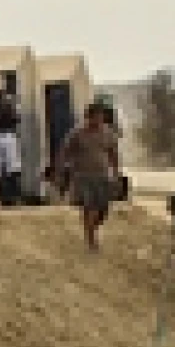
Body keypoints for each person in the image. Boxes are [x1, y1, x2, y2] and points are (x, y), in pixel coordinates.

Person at [56, 102, 121, 252]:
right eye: (96, 117)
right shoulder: (77, 133)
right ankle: (91, 239)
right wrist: (60, 172)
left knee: (103, 210)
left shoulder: (108, 133)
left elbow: (113, 154)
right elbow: (64, 152)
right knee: (89, 207)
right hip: (82, 177)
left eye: (101, 117)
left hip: (102, 177)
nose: (99, 120)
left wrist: (116, 173)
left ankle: (91, 229)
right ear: (88, 117)